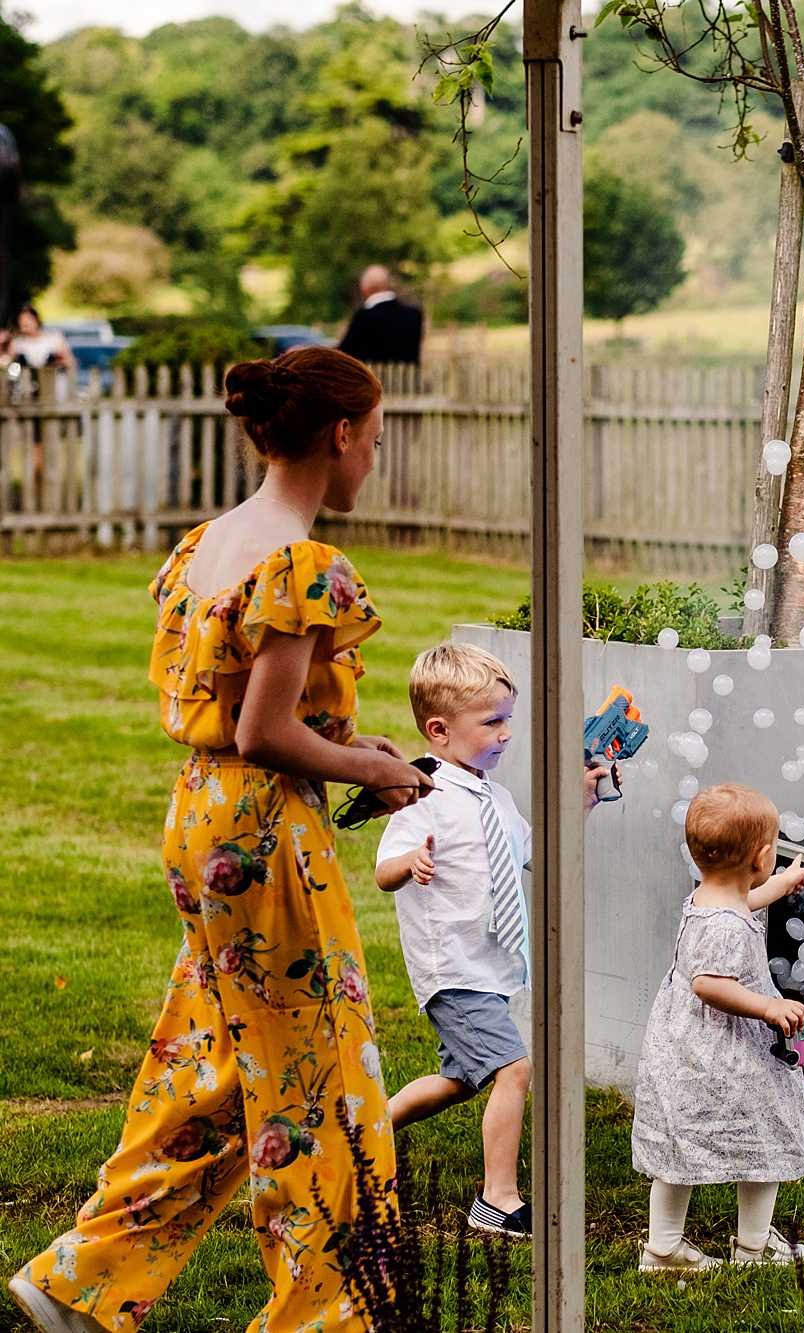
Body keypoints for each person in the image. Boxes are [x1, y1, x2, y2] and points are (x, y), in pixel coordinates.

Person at [9, 347, 431, 1333]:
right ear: (339, 437)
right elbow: (263, 732)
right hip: (265, 833)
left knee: (206, 1059)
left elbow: (246, 710)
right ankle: (333, 1316)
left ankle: (79, 1280)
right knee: (321, 1076)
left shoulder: (210, 542)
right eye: (374, 439)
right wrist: (371, 768)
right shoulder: (302, 562)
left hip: (203, 815)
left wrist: (347, 744)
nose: (374, 456)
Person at [373, 642, 613, 1239]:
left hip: (488, 964)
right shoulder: (421, 791)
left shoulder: (495, 797)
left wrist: (582, 799)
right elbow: (382, 871)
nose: (507, 734)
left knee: (459, 1080)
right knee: (514, 1069)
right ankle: (498, 1200)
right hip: (450, 966)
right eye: (492, 722)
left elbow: (538, 857)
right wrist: (411, 863)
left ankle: (357, 1138)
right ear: (439, 730)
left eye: (507, 718)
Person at [630, 783, 804, 1272]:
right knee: (765, 1137)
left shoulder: (708, 898)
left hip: (685, 1047)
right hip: (724, 1052)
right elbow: (710, 984)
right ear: (760, 855)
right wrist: (767, 1007)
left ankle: (665, 1246)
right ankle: (753, 1248)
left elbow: (746, 901)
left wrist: (782, 883)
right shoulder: (726, 926)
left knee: (679, 1146)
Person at [336, 266, 423, 366]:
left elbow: (345, 354)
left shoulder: (363, 317)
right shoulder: (414, 315)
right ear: (387, 284)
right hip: (407, 379)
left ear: (364, 287)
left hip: (371, 380)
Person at [10, 306, 74, 372]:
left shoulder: (54, 338)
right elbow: (8, 366)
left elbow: (70, 362)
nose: (25, 322)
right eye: (21, 320)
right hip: (26, 381)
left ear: (36, 319)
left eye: (29, 319)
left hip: (52, 380)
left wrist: (57, 362)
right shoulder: (17, 343)